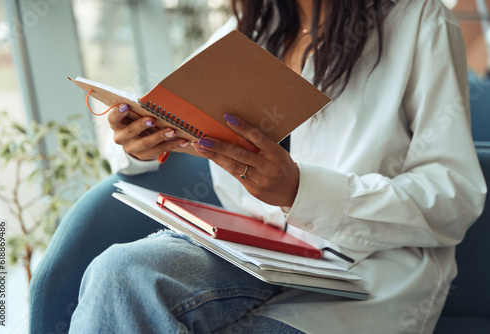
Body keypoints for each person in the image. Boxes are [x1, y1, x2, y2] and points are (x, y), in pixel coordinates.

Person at [29, 0, 487, 333]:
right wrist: (141, 143)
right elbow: (167, 117)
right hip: (248, 245)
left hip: (365, 268)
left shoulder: (419, 20)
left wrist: (299, 190)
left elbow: (453, 194)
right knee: (121, 271)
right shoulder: (248, 27)